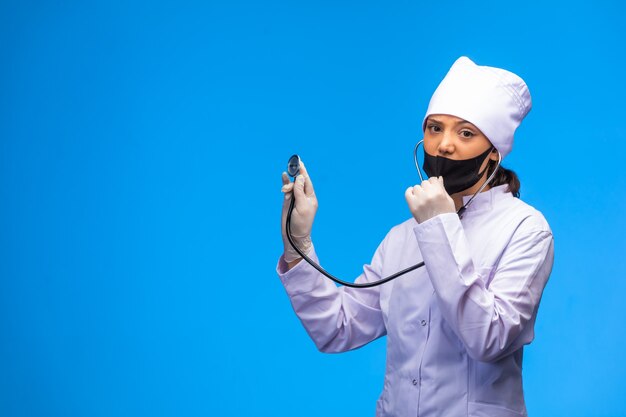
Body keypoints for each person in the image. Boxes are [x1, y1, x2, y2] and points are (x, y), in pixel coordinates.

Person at [276, 56, 554, 417]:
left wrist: (438, 227)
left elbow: (488, 338)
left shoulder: (525, 229)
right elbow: (336, 328)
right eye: (434, 128)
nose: (444, 145)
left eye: (465, 133)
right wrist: (298, 243)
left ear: (493, 153)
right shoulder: (402, 237)